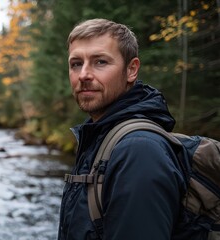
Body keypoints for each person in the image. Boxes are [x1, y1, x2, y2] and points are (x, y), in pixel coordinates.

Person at [58, 18, 187, 240]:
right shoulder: (99, 138)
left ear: (131, 70)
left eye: (100, 62)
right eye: (76, 64)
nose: (84, 75)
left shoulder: (139, 151)